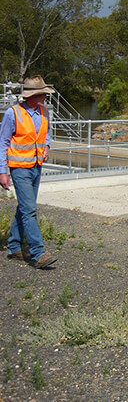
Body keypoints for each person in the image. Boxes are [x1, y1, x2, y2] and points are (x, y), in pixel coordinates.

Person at [0, 76, 58, 269]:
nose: (45, 97)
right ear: (32, 95)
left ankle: (14, 246)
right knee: (30, 209)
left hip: (36, 165)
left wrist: (47, 146)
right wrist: (3, 172)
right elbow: (3, 143)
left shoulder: (43, 112)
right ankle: (38, 252)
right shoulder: (12, 114)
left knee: (25, 207)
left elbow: (46, 133)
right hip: (19, 168)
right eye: (42, 94)